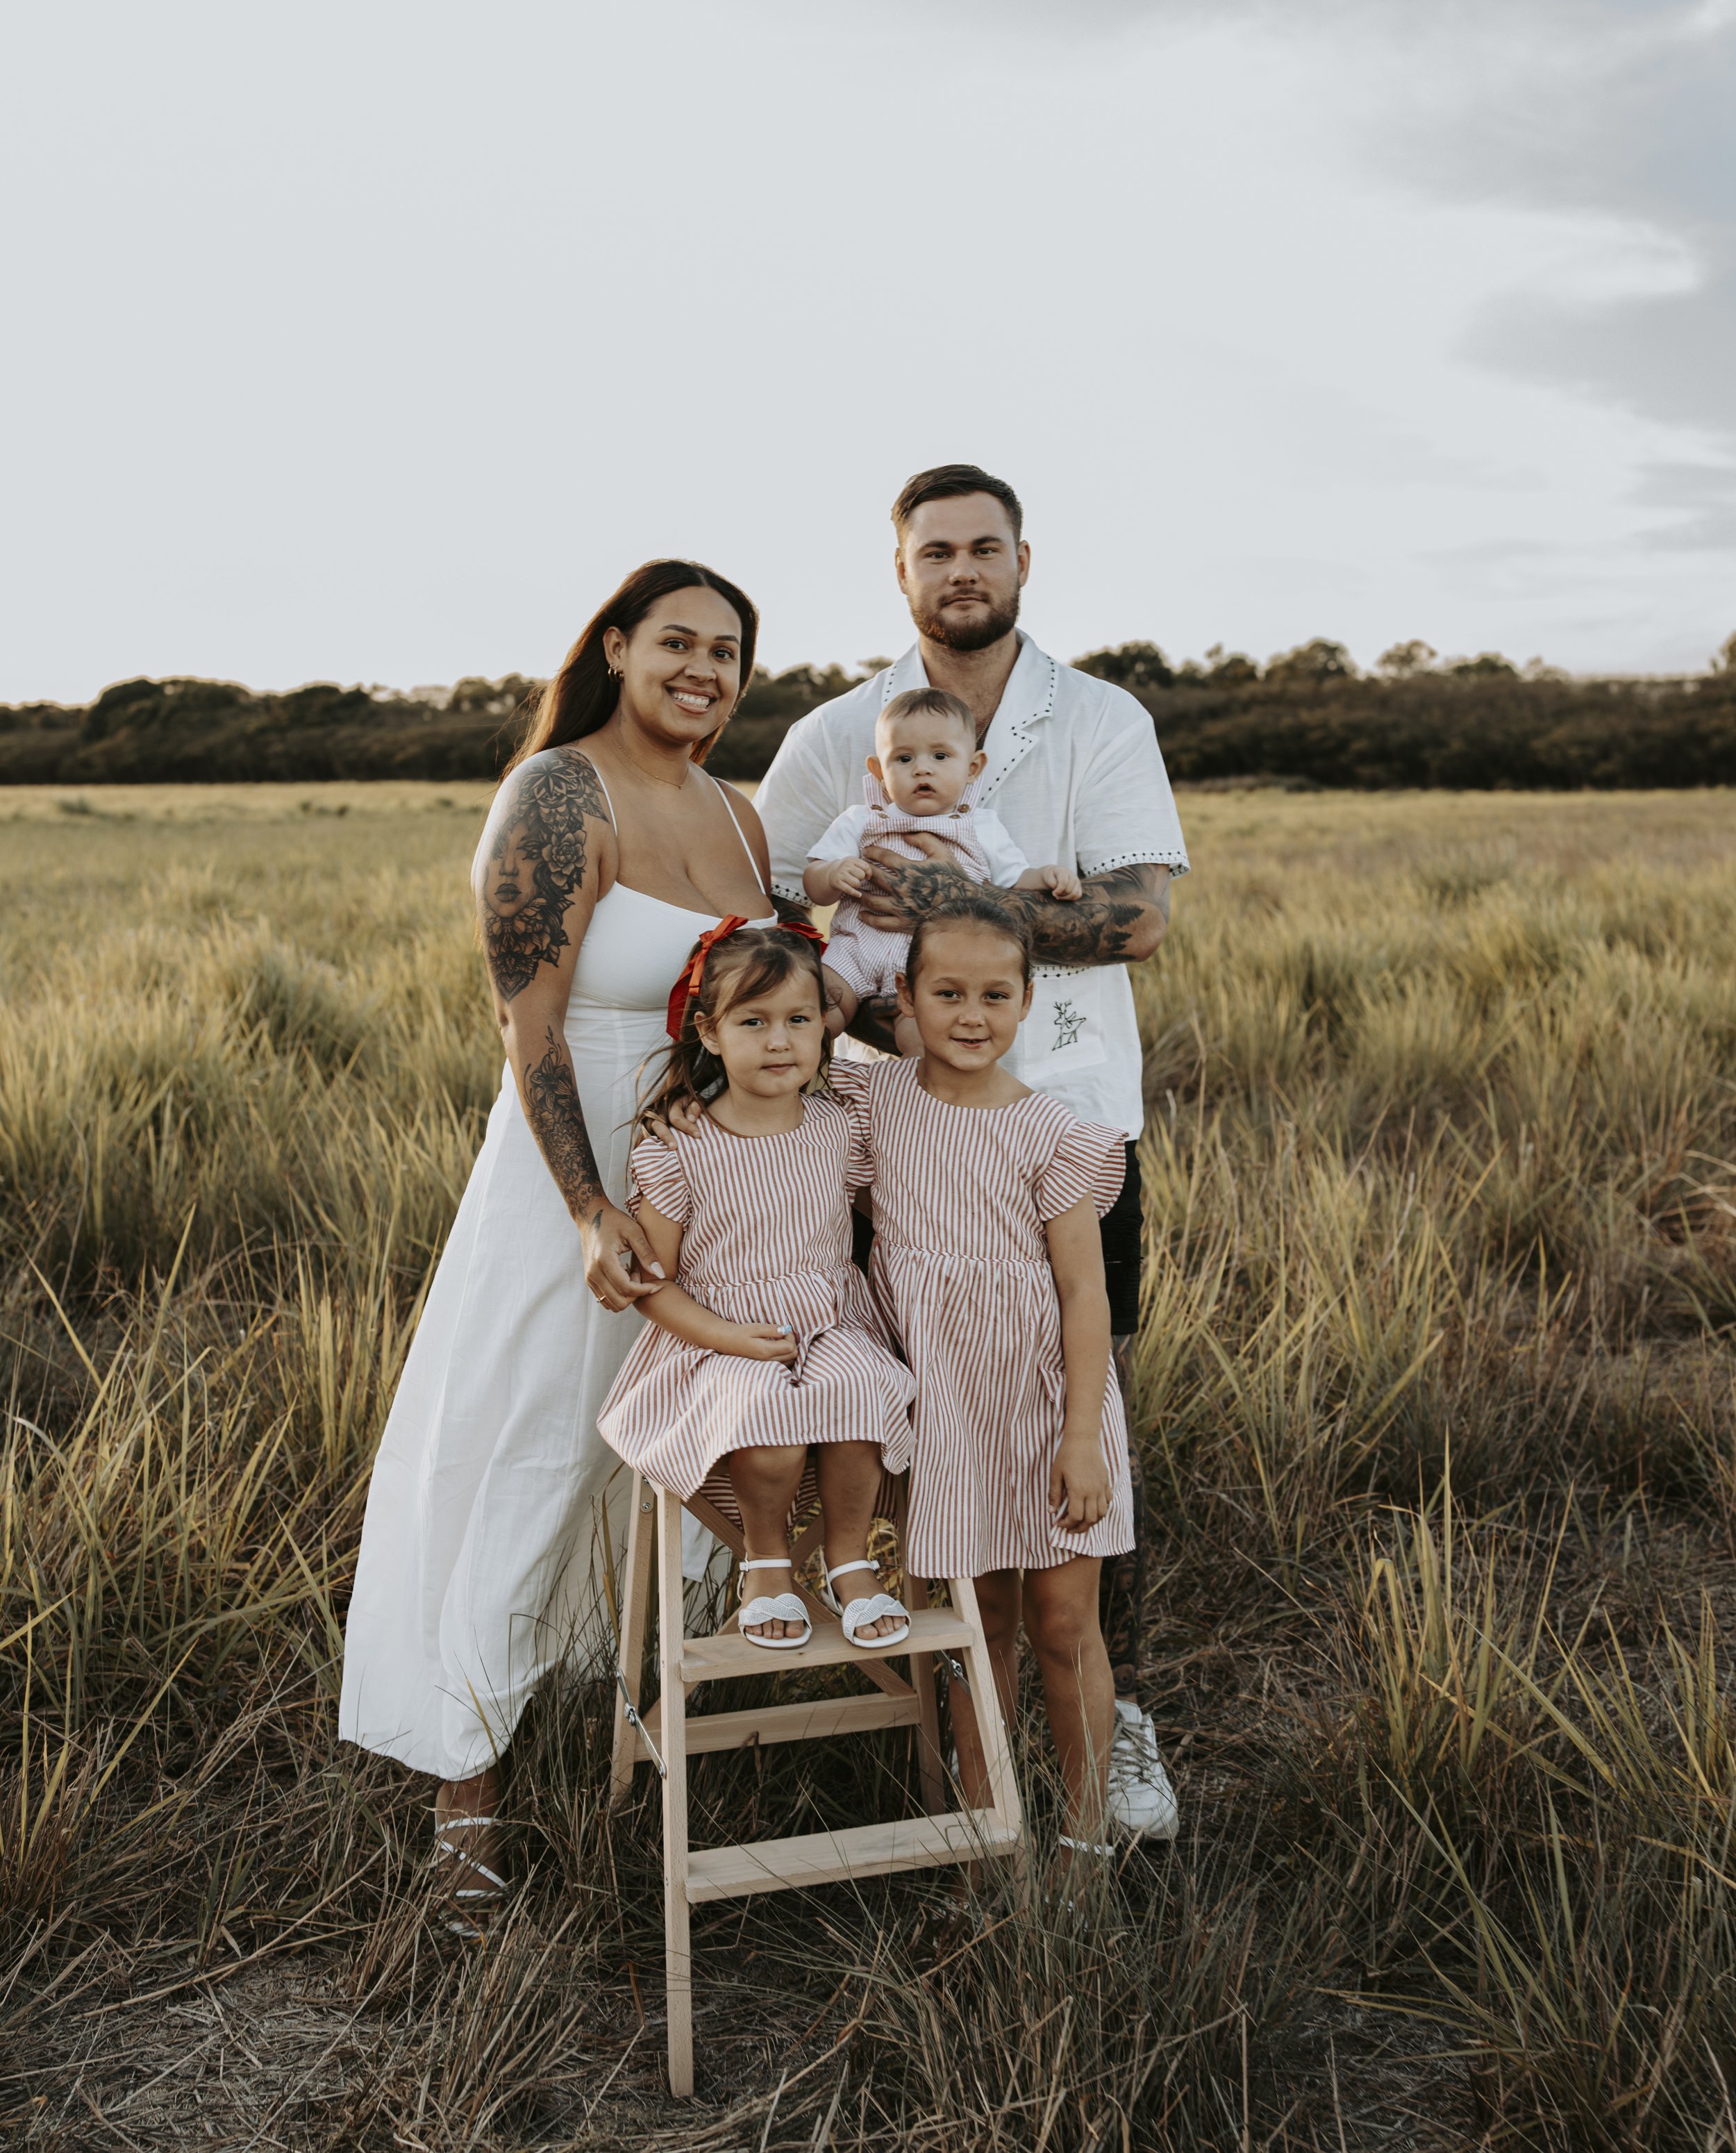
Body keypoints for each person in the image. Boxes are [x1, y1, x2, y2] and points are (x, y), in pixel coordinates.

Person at [339, 556, 787, 1929]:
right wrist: (588, 1207)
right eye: (677, 643)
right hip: (572, 1166)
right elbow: (526, 1028)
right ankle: (463, 1794)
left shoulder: (736, 809)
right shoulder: (557, 793)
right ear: (614, 645)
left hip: (709, 1171)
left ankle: (631, 1724)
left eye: (727, 652)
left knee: (674, 1436)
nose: (703, 671)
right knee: (536, 1439)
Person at [756, 462, 1187, 1840]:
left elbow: (1133, 919)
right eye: (931, 550)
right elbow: (760, 886)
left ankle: (1102, 1726)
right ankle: (941, 1723)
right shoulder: (837, 732)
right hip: (895, 1133)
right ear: (899, 573)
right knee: (905, 1428)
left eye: (981, 547)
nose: (959, 569)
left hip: (1069, 1120)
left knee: (1079, 1418)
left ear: (1020, 560)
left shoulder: (1099, 718)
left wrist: (961, 898)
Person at [833, 896, 1131, 1859]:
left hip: (1048, 1402)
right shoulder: (872, 1102)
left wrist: (1083, 1436)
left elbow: (1086, 1292)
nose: (971, 1014)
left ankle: (1085, 1838)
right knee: (975, 1621)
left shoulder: (1054, 1131)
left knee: (1062, 1618)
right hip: (946, 1403)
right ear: (906, 1000)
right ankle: (982, 1830)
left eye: (995, 993)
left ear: (1028, 1000)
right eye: (946, 991)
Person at [597, 922, 916, 1649]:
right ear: (709, 1032)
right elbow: (654, 1282)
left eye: (798, 1021)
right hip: (719, 1337)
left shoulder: (837, 1128)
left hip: (830, 1323)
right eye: (755, 1021)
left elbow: (885, 1212)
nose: (780, 1042)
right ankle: (766, 1562)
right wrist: (724, 1335)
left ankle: (850, 1559)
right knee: (764, 1415)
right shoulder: (680, 1144)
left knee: (862, 1393)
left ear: (823, 1030)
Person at [803, 683, 1080, 1052]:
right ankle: (794, 1096)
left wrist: (1047, 876)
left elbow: (1015, 880)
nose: (922, 770)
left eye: (940, 756)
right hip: (852, 951)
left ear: (973, 768)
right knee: (812, 1017)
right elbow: (814, 886)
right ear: (879, 770)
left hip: (929, 965)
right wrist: (831, 874)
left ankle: (927, 1107)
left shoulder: (982, 828)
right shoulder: (861, 821)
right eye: (903, 759)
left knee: (922, 1040)